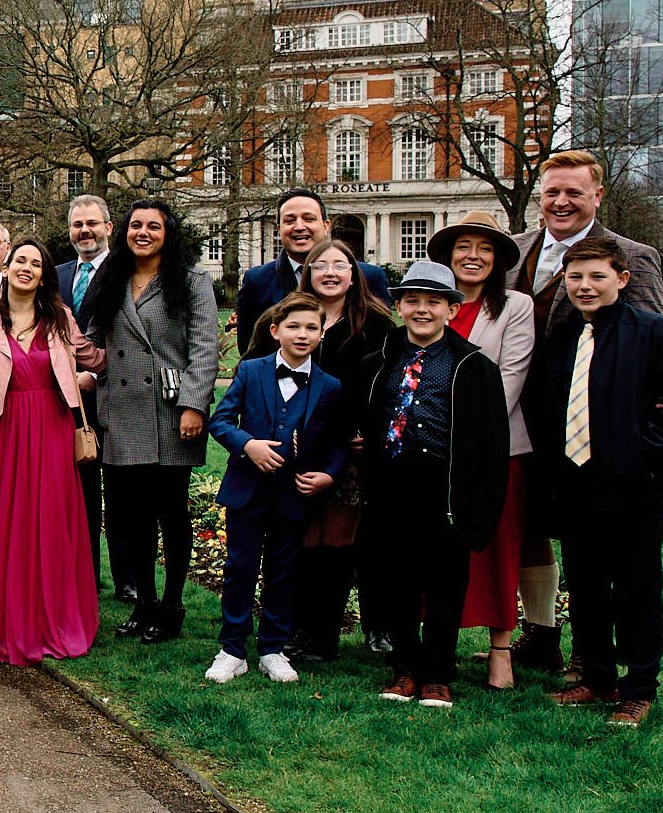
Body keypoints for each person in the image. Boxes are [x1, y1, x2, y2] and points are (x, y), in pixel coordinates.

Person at [528, 239, 663, 727]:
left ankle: (639, 686)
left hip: (633, 487)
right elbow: (549, 406)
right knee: (586, 585)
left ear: (622, 279)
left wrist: (640, 453)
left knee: (636, 587)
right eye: (575, 277)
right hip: (574, 483)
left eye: (597, 277)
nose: (585, 286)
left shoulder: (654, 332)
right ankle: (597, 676)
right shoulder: (564, 337)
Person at [357, 261, 511, 710]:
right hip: (392, 482)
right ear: (399, 306)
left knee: (445, 583)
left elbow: (493, 443)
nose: (422, 310)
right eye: (413, 301)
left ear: (451, 310)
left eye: (433, 302)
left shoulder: (474, 367)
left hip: (445, 487)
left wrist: (481, 509)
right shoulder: (379, 362)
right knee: (398, 579)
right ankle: (405, 667)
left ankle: (439, 673)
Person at [79, 199, 220, 644]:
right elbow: (94, 339)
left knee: (171, 512)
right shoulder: (111, 277)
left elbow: (204, 347)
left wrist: (194, 406)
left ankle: (172, 605)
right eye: (135, 225)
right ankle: (144, 602)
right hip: (121, 411)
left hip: (171, 411)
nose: (143, 232)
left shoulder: (192, 280)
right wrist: (79, 365)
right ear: (123, 232)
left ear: (167, 233)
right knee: (131, 516)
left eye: (153, 226)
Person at [0, 238, 98, 666]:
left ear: (43, 275)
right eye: (20, 260)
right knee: (1, 521)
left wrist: (91, 378)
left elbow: (93, 359)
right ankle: (3, 622)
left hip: (51, 426)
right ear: (6, 268)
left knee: (50, 520)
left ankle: (51, 618)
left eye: (35, 263)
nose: (27, 267)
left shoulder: (61, 318)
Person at [203, 294, 344, 686]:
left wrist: (328, 476)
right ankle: (232, 649)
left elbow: (337, 444)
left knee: (283, 572)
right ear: (275, 330)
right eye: (294, 326)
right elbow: (221, 421)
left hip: (294, 495)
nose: (302, 334)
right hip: (247, 490)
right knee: (240, 567)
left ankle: (272, 649)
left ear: (321, 334)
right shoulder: (251, 371)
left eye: (311, 328)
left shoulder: (329, 386)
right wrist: (248, 444)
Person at [428, 213, 538, 690]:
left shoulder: (515, 306)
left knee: (496, 548)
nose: (473, 256)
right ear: (448, 256)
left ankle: (501, 649)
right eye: (463, 247)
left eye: (485, 248)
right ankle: (437, 645)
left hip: (495, 449)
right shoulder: (433, 302)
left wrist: (468, 436)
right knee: (438, 550)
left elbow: (511, 376)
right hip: (435, 450)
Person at [285, 239, 396, 662]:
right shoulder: (292, 317)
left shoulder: (376, 324)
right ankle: (298, 627)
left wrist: (370, 430)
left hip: (351, 451)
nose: (330, 272)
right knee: (303, 537)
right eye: (320, 265)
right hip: (300, 447)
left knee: (336, 539)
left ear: (354, 275)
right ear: (308, 273)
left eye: (340, 265)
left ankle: (324, 634)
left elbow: (389, 385)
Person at [512, 150, 663, 339]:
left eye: (573, 193)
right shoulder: (512, 249)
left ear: (598, 196)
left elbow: (650, 336)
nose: (560, 202)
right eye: (552, 192)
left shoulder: (634, 256)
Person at [235, 189, 392, 356]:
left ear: (326, 226)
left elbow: (384, 347)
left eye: (309, 218)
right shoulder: (256, 280)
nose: (299, 227)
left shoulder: (369, 276)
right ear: (279, 229)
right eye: (290, 220)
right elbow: (248, 349)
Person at [55, 194, 114, 581]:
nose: (85, 231)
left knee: (119, 494)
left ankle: (125, 578)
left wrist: (94, 376)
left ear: (108, 227)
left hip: (111, 395)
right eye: (78, 224)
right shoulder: (57, 275)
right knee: (74, 490)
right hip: (60, 400)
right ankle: (80, 570)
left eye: (92, 223)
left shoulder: (123, 272)